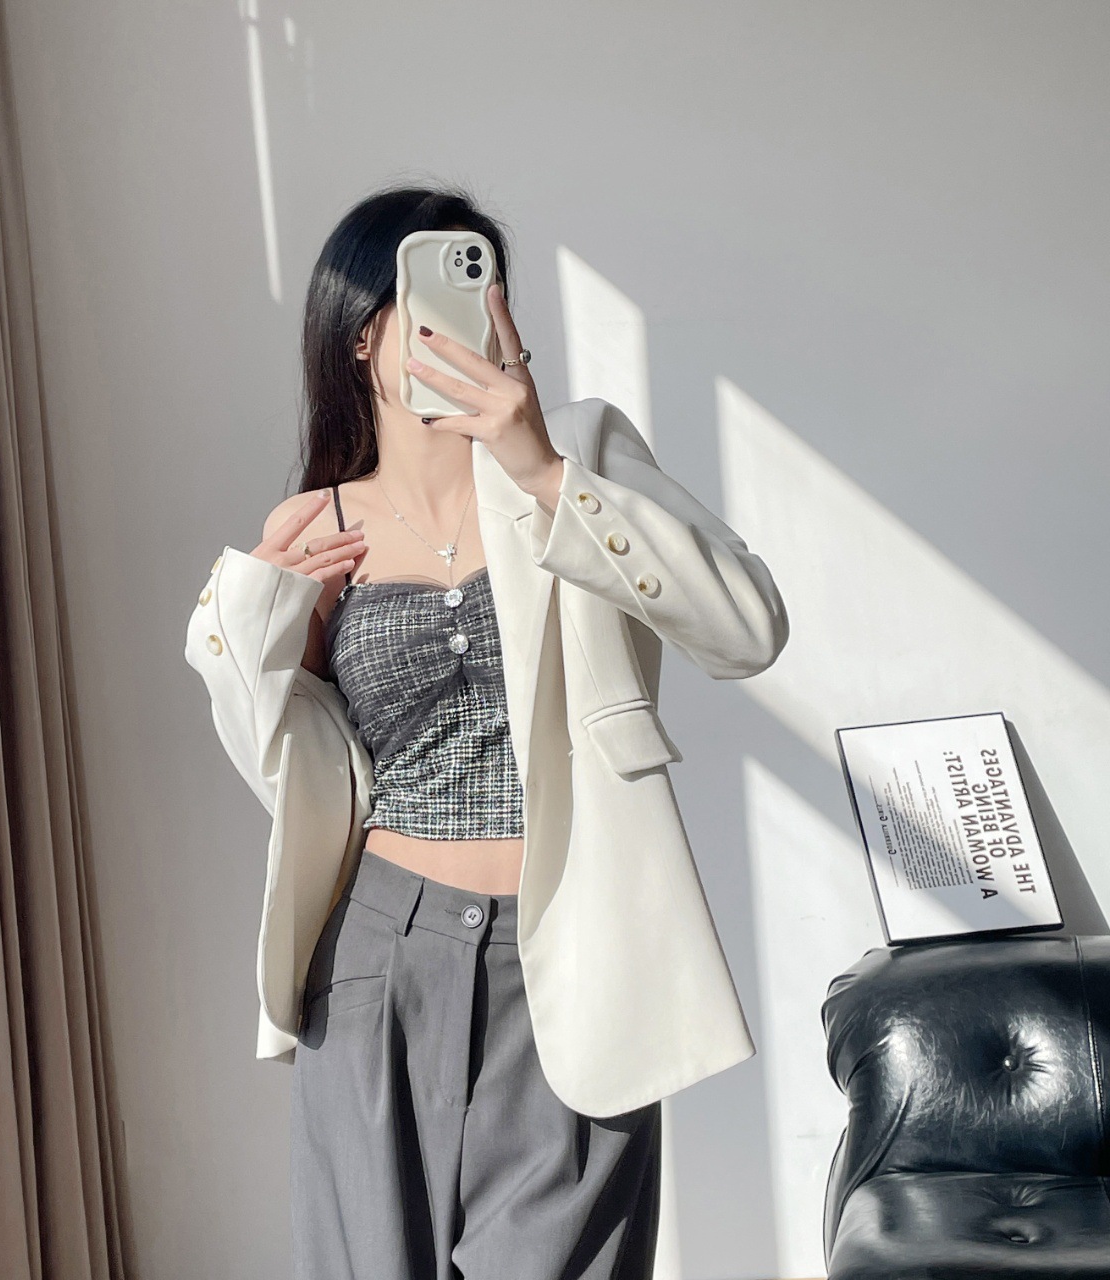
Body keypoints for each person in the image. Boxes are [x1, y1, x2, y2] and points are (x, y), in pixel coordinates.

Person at [184, 182, 789, 1278]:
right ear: (361, 330)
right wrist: (255, 618)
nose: (464, 318)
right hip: (377, 964)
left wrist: (541, 470)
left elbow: (747, 629)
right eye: (429, 294)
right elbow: (278, 769)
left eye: (483, 287)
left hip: (572, 954)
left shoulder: (579, 454)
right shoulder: (310, 526)